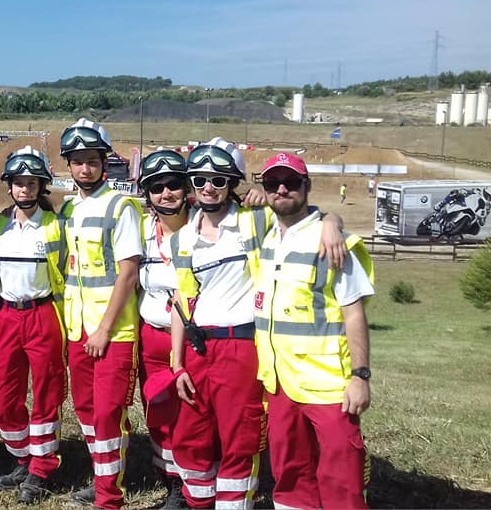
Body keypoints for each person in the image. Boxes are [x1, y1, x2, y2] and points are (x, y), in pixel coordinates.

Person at [168, 138, 345, 509]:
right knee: (189, 436)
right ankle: (199, 502)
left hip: (241, 346)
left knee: (240, 439)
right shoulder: (182, 238)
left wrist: (332, 222)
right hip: (199, 347)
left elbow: (303, 215)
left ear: (232, 183)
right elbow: (182, 300)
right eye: (200, 180)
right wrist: (177, 361)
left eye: (218, 180)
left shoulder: (255, 220)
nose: (208, 188)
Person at [254, 152, 374, 509]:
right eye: (272, 183)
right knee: (290, 476)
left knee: (342, 481)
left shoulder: (333, 242)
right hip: (280, 384)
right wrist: (331, 217)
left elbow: (354, 313)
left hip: (328, 386)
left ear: (306, 186)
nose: (281, 189)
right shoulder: (266, 237)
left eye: (290, 182)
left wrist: (360, 376)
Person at [58, 118, 142, 510]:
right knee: (86, 410)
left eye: (92, 161)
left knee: (108, 414)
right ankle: (103, 476)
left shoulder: (121, 207)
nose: (85, 169)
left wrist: (105, 329)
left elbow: (128, 273)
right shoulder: (70, 208)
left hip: (111, 332)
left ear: (104, 162)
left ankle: (109, 499)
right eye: (78, 162)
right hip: (78, 328)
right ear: (68, 165)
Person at [0, 147, 67, 505]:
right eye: (19, 183)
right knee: (3, 396)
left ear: (41, 187)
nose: (24, 189)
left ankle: (42, 467)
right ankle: (22, 457)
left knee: (47, 392)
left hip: (42, 313)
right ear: (10, 186)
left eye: (31, 183)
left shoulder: (55, 226)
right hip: (7, 315)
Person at [134, 148, 190, 509]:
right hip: (152, 335)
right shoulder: (141, 230)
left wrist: (330, 221)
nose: (166, 193)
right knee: (157, 410)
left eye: (173, 185)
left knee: (191, 414)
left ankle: (194, 480)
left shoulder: (206, 226)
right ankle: (170, 478)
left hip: (191, 340)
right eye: (156, 187)